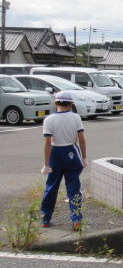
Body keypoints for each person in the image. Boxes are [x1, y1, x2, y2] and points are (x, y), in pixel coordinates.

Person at [40, 91, 88, 230]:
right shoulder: (75, 117)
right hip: (71, 152)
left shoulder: (49, 120)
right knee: (74, 187)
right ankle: (76, 220)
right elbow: (81, 138)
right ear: (71, 104)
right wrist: (84, 157)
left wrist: (46, 164)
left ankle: (45, 218)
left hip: (55, 153)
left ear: (55, 103)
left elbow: (47, 144)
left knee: (51, 187)